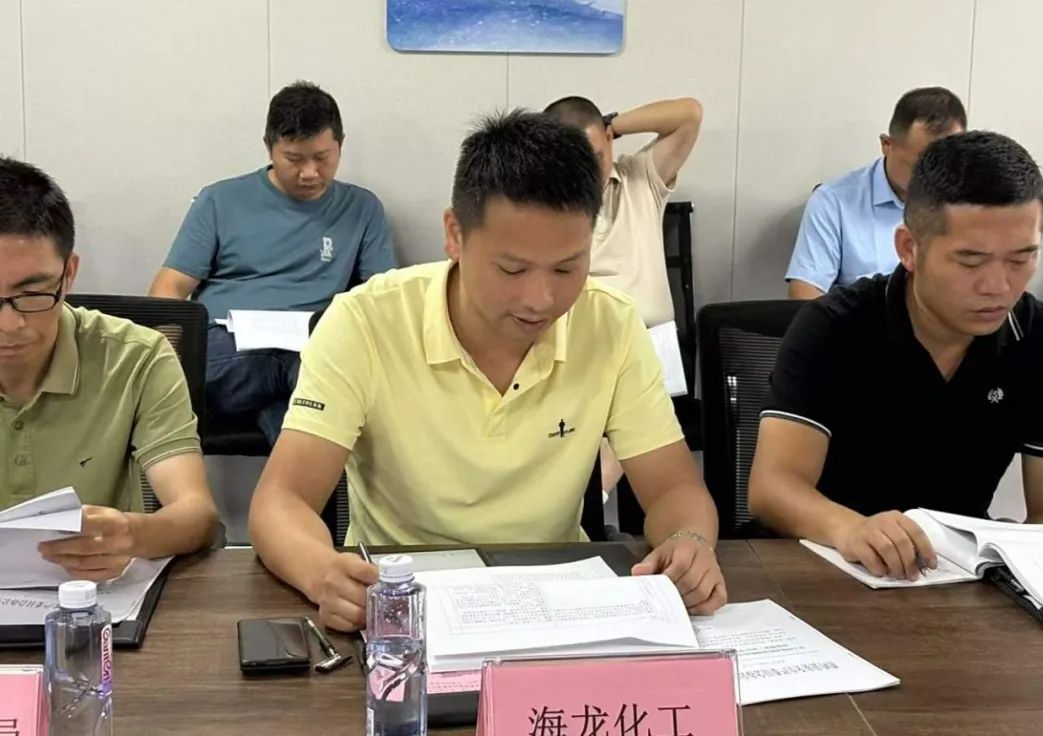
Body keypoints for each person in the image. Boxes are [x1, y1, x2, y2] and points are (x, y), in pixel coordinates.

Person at [249, 110, 726, 632]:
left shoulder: (610, 324)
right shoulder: (365, 322)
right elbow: (282, 500)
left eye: (567, 267)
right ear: (454, 234)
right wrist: (322, 572)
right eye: (512, 269)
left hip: (559, 604)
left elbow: (674, 489)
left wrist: (689, 542)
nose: (540, 299)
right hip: (401, 604)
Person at [749, 131, 1043, 581]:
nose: (998, 286)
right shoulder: (835, 326)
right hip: (823, 566)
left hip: (952, 577)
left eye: (1021, 259)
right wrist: (852, 529)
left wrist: (1023, 560)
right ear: (909, 248)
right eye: (970, 261)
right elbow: (773, 488)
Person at [0, 157, 219, 582]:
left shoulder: (137, 358)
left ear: (68, 275)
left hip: (90, 602)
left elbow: (197, 514)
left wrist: (134, 535)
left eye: (32, 294)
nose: (10, 324)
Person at [149, 81, 397, 445]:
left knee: (302, 401)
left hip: (314, 348)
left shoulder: (362, 208)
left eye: (322, 157)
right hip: (230, 350)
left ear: (340, 146)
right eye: (294, 159)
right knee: (316, 393)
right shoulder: (220, 200)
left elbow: (383, 297)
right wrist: (167, 367)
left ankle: (298, 469)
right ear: (269, 147)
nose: (309, 172)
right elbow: (168, 288)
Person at [785, 87, 967, 299]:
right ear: (886, 145)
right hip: (863, 319)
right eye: (921, 166)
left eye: (946, 164)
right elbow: (805, 292)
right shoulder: (833, 202)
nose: (935, 177)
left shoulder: (971, 202)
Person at [543, 95, 703, 329]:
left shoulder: (641, 177)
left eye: (596, 157)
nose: (589, 173)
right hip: (584, 338)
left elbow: (689, 114)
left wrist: (610, 124)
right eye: (575, 163)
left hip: (651, 336)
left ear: (608, 139)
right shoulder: (539, 204)